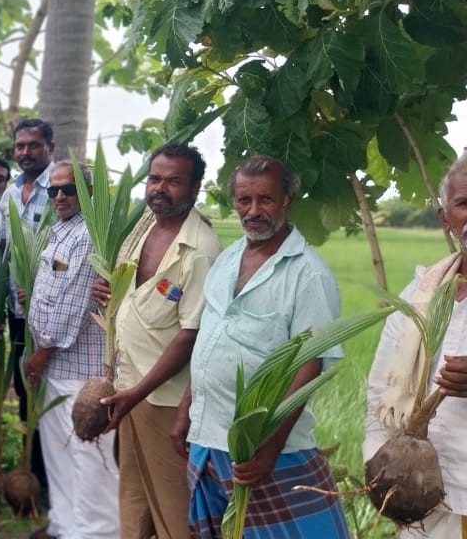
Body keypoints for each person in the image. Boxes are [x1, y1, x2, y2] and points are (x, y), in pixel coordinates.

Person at [181, 155, 348, 538]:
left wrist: (269, 448)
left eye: (265, 200)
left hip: (267, 450)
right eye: (243, 200)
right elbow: (211, 338)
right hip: (208, 438)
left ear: (288, 200)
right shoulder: (227, 259)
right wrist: (186, 407)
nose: (253, 211)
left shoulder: (309, 273)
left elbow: (310, 365)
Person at [86, 144, 221, 539]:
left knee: (171, 509)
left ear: (195, 189)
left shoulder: (199, 250)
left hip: (163, 399)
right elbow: (131, 293)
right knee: (133, 497)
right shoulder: (142, 227)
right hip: (129, 385)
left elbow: (191, 334)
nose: (160, 188)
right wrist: (108, 289)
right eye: (155, 178)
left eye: (173, 181)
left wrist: (138, 393)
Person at [364, 155, 467, 538]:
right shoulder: (420, 294)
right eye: (464, 204)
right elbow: (379, 393)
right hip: (425, 496)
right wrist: (382, 472)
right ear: (446, 219)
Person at [22, 162, 120, 539]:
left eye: (69, 189)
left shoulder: (87, 236)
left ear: (89, 192)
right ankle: (64, 527)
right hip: (57, 367)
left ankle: (99, 532)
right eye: (54, 190)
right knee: (59, 453)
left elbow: (76, 302)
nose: (60, 196)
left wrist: (41, 351)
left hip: (82, 370)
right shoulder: (59, 231)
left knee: (89, 456)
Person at [1, 118, 55, 504]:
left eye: (33, 145)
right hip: (16, 312)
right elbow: (0, 249)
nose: (25, 152)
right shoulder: (10, 192)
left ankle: (49, 477)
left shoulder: (62, 188)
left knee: (48, 388)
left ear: (49, 147)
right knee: (23, 387)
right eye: (20, 146)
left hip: (49, 313)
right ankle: (31, 471)